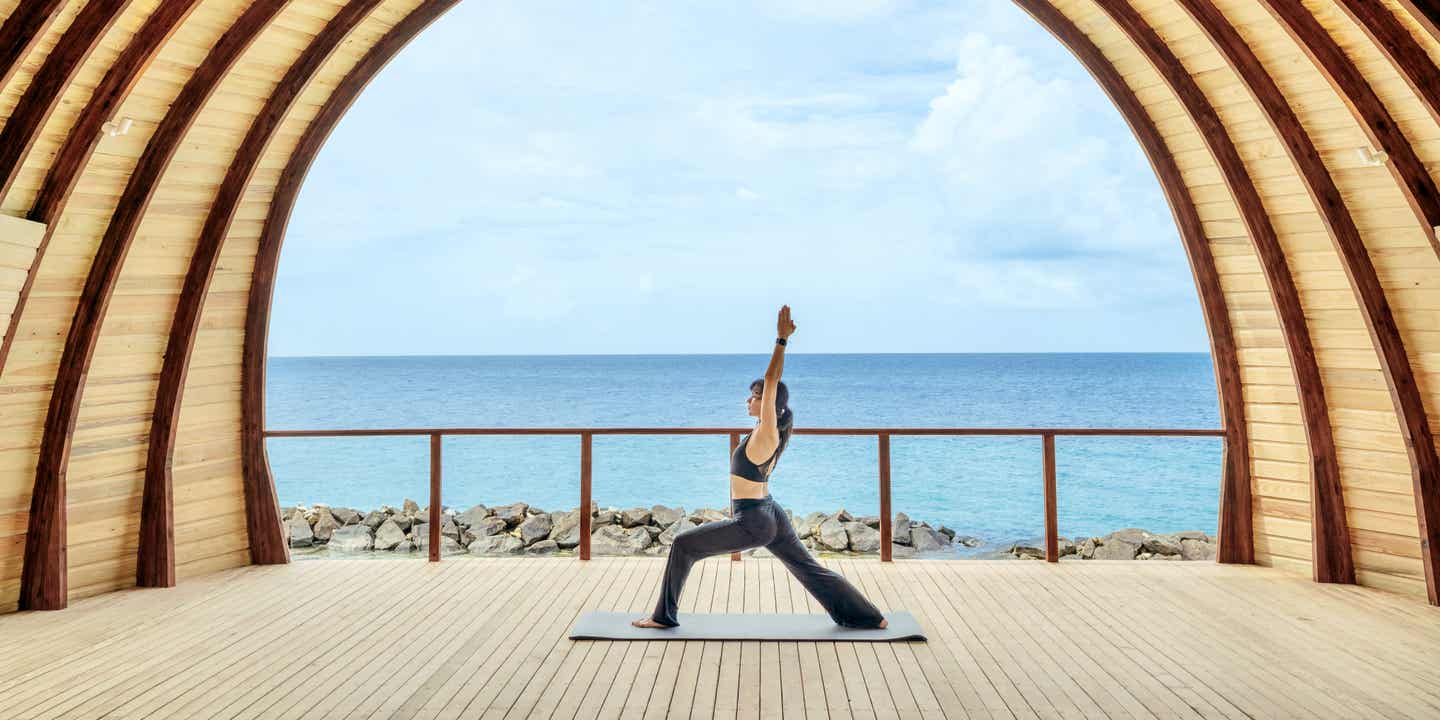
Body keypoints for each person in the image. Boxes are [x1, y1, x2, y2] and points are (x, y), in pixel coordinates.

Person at [632, 305, 888, 630]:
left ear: (769, 404)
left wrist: (781, 340)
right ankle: (869, 617)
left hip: (753, 520)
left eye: (755, 396)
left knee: (683, 545)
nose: (748, 400)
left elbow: (771, 379)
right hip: (769, 512)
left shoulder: (768, 430)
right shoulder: (762, 432)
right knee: (808, 568)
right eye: (751, 396)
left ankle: (662, 617)